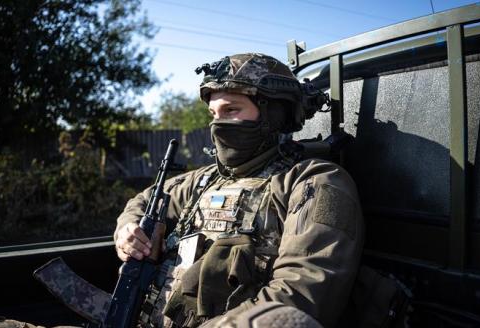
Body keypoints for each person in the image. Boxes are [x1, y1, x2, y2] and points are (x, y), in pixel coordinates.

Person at [114, 53, 364, 328]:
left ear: (273, 113)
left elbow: (299, 295)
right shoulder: (205, 180)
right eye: (213, 114)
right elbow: (144, 201)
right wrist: (128, 231)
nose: (217, 124)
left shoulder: (313, 182)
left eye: (231, 110)